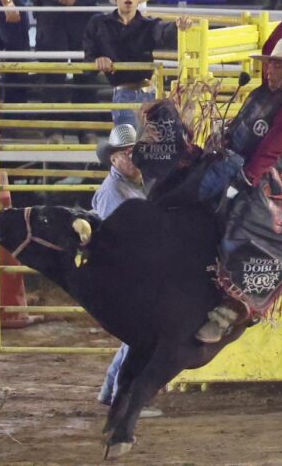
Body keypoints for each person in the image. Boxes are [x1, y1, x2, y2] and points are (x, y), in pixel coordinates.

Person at [194, 0, 282, 344]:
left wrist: (242, 182)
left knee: (242, 223)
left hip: (254, 171)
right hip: (231, 156)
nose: (270, 70)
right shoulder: (273, 89)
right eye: (271, 65)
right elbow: (273, 44)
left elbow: (268, 154)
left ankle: (232, 301)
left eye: (279, 67)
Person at [92, 124, 158, 415]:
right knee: (142, 336)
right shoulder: (114, 192)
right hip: (127, 273)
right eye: (126, 153)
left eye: (135, 152)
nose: (132, 158)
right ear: (114, 158)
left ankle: (112, 390)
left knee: (136, 337)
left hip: (132, 272)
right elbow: (118, 239)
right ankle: (124, 397)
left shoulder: (133, 185)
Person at [83, 0, 193, 132]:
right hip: (124, 93)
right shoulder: (99, 24)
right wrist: (98, 61)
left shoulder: (149, 25)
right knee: (130, 141)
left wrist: (177, 26)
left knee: (145, 141)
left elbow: (164, 32)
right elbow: (89, 59)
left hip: (149, 94)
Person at [29, 0, 102, 107]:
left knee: (86, 71)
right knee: (52, 72)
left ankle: (85, 116)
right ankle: (52, 116)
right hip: (50, 12)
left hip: (84, 10)